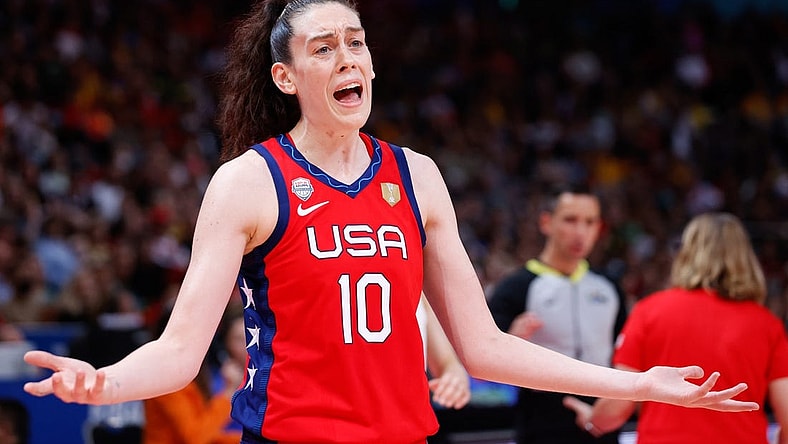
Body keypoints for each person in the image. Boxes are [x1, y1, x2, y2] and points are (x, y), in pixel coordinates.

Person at [22, 1, 758, 443]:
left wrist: (640, 386)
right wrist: (104, 382)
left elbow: (483, 347)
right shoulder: (249, 183)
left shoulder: (418, 176)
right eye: (325, 47)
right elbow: (182, 353)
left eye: (358, 40)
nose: (351, 58)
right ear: (287, 78)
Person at [563, 212, 788, 444]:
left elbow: (618, 406)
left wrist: (594, 419)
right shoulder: (767, 324)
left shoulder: (649, 311)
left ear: (686, 253)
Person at [487, 184, 626, 444]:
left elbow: (626, 356)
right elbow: (484, 359)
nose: (580, 232)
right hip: (541, 427)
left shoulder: (609, 287)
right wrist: (508, 343)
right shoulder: (515, 288)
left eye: (589, 222)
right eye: (570, 220)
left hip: (602, 426)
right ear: (546, 223)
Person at [142, 304, 243, 444]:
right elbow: (196, 438)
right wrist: (228, 393)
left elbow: (206, 433)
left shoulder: (189, 375)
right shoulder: (165, 381)